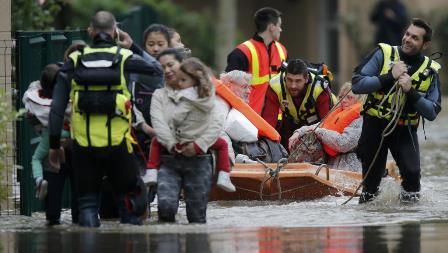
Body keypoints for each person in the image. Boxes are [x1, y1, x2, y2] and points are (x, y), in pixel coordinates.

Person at [48, 10, 163, 227]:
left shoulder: (74, 60)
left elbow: (57, 107)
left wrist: (54, 145)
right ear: (115, 31)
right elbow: (158, 72)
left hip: (83, 145)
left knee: (88, 203)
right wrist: (133, 47)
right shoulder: (125, 58)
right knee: (127, 202)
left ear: (90, 31)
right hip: (118, 145)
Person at [352, 18, 442, 203]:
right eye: (407, 34)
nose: (408, 39)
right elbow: (357, 85)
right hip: (375, 125)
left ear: (425, 44)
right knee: (371, 183)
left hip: (405, 128)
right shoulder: (383, 53)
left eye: (415, 38)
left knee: (412, 174)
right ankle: (370, 225)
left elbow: (432, 112)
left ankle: (409, 221)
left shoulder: (430, 71)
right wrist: (389, 76)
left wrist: (411, 91)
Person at [151, 52, 224, 223]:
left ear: (183, 65)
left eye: (170, 65)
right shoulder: (159, 95)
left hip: (199, 159)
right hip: (169, 158)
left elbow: (216, 122)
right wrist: (171, 144)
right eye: (162, 67)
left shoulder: (205, 93)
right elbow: (159, 124)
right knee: (166, 207)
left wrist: (198, 145)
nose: (167, 70)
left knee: (196, 215)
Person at [145, 57, 235, 192]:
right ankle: (224, 174)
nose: (180, 83)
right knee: (223, 144)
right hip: (199, 137)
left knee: (156, 142)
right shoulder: (206, 93)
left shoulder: (184, 96)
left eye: (183, 80)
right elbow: (214, 118)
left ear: (194, 79)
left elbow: (177, 117)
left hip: (183, 138)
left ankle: (152, 170)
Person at [22, 64, 78, 225]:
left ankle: (40, 181)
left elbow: (31, 111)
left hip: (50, 149)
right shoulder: (73, 93)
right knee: (79, 207)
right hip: (74, 146)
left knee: (52, 210)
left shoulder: (35, 95)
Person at [262, 59, 336, 149]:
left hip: (316, 123)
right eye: (289, 80)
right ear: (285, 77)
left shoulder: (320, 88)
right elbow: (268, 124)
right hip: (290, 122)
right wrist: (269, 149)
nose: (293, 85)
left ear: (306, 79)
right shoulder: (275, 85)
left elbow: (327, 126)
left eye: (298, 81)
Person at [289, 82, 363, 172]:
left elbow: (344, 143)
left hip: (353, 168)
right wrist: (299, 132)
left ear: (359, 100)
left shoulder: (360, 118)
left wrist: (319, 132)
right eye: (341, 97)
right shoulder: (338, 113)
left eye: (349, 97)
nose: (343, 100)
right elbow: (318, 126)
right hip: (333, 165)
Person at [225, 7, 287, 114]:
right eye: (279, 26)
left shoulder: (282, 50)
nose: (281, 29)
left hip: (277, 120)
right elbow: (229, 90)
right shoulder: (242, 52)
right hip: (251, 120)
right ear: (272, 27)